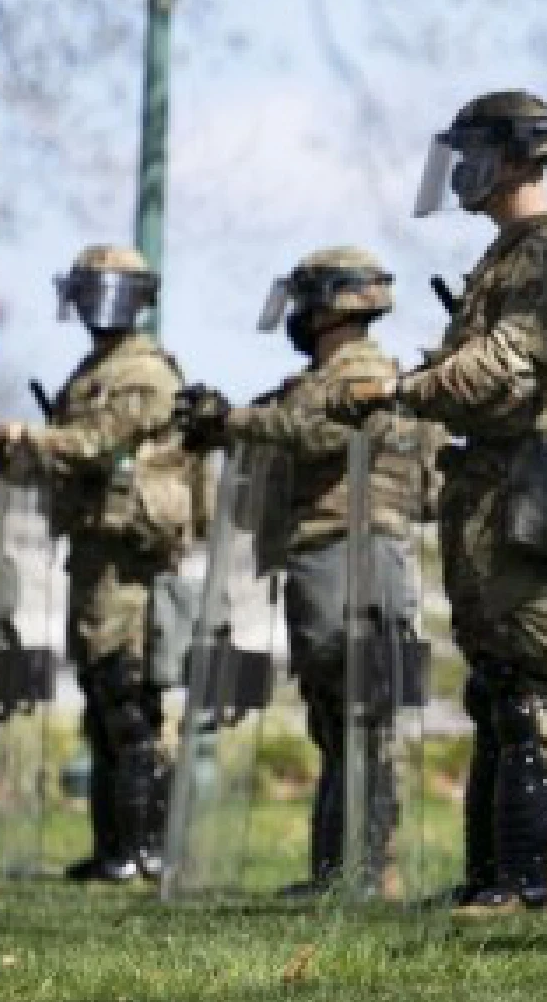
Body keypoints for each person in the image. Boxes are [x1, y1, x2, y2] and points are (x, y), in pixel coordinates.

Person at [331, 90, 547, 917]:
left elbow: (507, 367)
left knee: (524, 681)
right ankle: (493, 874)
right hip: (495, 483)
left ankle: (528, 879)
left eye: (473, 152)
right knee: (496, 681)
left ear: (515, 154)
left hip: (533, 484)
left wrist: (401, 387)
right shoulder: (510, 252)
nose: (461, 169)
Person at [180, 246, 441, 895]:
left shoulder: (365, 370)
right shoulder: (324, 374)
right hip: (321, 552)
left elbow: (323, 433)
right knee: (335, 716)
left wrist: (232, 421)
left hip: (356, 548)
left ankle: (367, 867)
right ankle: (336, 870)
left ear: (330, 301)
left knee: (364, 705)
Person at [0, 245, 199, 883]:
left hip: (129, 556)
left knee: (129, 696)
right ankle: (115, 846)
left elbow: (100, 444)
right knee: (102, 699)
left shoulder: (144, 371)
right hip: (92, 550)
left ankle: (144, 848)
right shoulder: (94, 369)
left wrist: (31, 438)